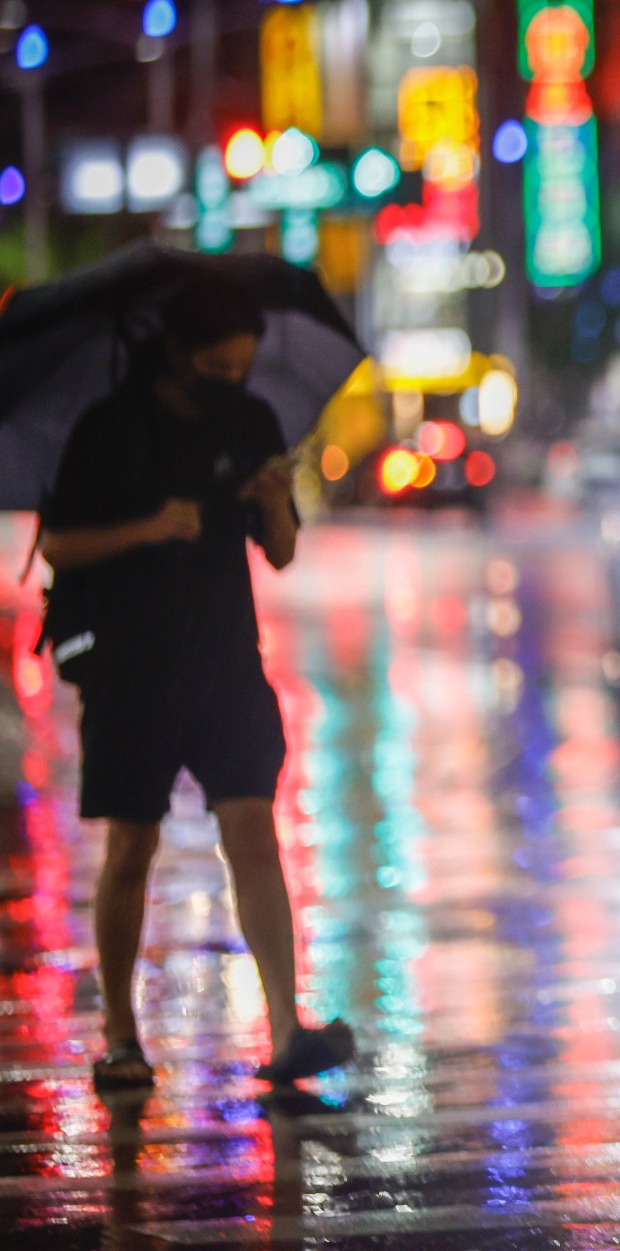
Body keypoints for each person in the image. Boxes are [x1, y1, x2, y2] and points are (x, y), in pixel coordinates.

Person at [39, 283, 354, 1092]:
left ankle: (287, 1028)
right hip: (131, 670)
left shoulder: (249, 423)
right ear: (176, 350)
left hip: (225, 662)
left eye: (242, 367)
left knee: (253, 831)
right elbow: (61, 546)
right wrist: (150, 527)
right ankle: (121, 1037)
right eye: (217, 364)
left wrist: (276, 503)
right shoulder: (109, 430)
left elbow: (280, 553)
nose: (231, 379)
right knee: (131, 846)